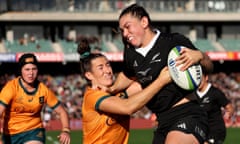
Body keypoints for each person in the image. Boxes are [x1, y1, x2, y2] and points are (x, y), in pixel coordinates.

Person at [111, 3, 214, 144]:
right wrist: (110, 89)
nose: (124, 34)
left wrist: (200, 55)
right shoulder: (130, 53)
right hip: (162, 121)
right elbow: (128, 75)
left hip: (188, 113)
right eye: (122, 30)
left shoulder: (173, 41)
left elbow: (209, 66)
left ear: (144, 22)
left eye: (128, 27)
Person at [78, 39, 171, 144]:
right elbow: (127, 107)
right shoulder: (93, 96)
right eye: (101, 68)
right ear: (89, 75)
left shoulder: (114, 91)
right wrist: (161, 81)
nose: (108, 71)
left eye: (108, 65)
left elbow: (141, 85)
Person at [0, 53, 71, 144]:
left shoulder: (44, 90)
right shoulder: (10, 88)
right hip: (10, 135)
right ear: (20, 71)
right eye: (27, 69)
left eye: (34, 69)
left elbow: (62, 111)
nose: (31, 73)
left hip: (34, 131)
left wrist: (66, 130)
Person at [196, 70, 234, 144]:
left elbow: (229, 107)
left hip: (216, 131)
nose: (198, 81)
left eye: (200, 78)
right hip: (201, 130)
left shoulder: (215, 92)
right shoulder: (193, 94)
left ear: (206, 77)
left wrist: (229, 113)